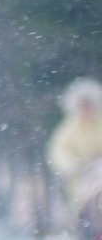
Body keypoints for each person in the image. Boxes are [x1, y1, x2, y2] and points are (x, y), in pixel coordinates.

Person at [48, 77, 102, 240]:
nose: (87, 109)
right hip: (82, 182)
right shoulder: (68, 129)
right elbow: (59, 151)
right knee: (87, 214)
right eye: (83, 106)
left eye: (90, 104)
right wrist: (73, 165)